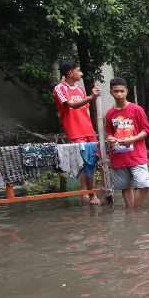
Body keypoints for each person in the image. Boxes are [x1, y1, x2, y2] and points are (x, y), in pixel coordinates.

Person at [53, 59, 102, 205]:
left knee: (90, 161)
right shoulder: (60, 88)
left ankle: (85, 193)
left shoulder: (80, 90)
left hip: (88, 130)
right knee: (86, 162)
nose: (81, 73)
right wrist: (90, 97)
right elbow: (72, 105)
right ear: (70, 73)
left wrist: (91, 98)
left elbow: (84, 108)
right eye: (78, 70)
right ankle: (91, 195)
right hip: (75, 131)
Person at [105, 77, 149, 208]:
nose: (119, 94)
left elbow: (146, 131)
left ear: (126, 91)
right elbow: (109, 132)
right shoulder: (110, 113)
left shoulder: (136, 109)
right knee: (125, 187)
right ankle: (132, 218)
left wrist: (132, 139)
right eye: (115, 91)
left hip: (137, 156)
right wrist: (110, 138)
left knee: (144, 185)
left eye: (121, 91)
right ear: (111, 92)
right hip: (118, 156)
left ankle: (134, 211)